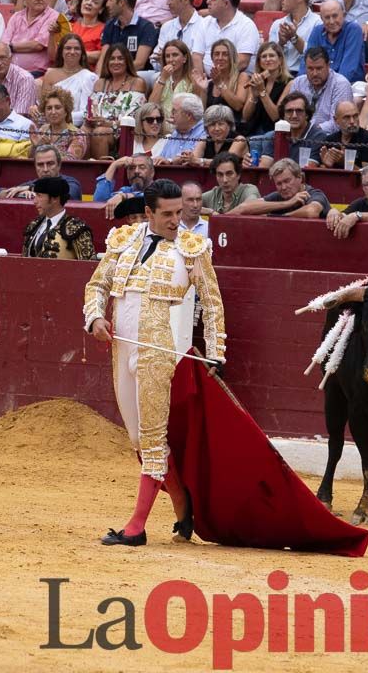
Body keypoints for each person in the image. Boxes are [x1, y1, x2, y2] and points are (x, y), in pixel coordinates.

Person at [84, 178, 225, 547]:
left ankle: (136, 527)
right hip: (122, 350)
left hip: (157, 351)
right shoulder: (123, 240)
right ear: (148, 213)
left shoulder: (191, 249)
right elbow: (96, 286)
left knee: (151, 438)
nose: (176, 220)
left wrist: (216, 351)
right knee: (137, 439)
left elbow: (211, 302)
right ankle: (182, 504)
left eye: (179, 212)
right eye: (167, 214)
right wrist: (96, 318)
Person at [284, 47, 354, 135]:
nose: (315, 73)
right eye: (310, 69)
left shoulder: (340, 84)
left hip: (327, 138)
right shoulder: (298, 82)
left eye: (319, 68)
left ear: (328, 66)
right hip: (298, 133)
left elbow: (338, 122)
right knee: (265, 139)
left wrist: (309, 132)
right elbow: (289, 113)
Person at [22, 176, 96, 260]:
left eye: (39, 196)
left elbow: (89, 264)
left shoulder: (76, 228)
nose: (34, 201)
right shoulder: (34, 225)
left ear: (55, 199)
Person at [229, 157, 330, 218]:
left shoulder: (314, 193)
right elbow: (243, 208)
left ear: (300, 177)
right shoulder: (279, 196)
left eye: (287, 181)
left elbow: (311, 212)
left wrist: (282, 217)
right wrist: (287, 203)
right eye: (279, 183)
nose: (284, 187)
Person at [99, 0, 159, 74]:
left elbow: (139, 63)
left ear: (121, 2)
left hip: (136, 75)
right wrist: (100, 78)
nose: (107, 4)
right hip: (113, 75)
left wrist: (115, 74)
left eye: (110, 0)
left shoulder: (146, 27)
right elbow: (103, 58)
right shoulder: (109, 25)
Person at [4, 0, 59, 76]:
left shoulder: (53, 16)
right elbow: (4, 45)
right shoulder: (16, 17)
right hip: (10, 71)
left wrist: (11, 47)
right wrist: (8, 47)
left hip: (37, 73)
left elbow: (38, 45)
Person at [301, 0, 363, 83]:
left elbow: (348, 70)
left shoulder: (353, 30)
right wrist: (301, 84)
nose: (332, 21)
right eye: (327, 17)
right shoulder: (317, 31)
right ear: (321, 18)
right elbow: (306, 62)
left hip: (349, 84)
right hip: (320, 83)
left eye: (335, 16)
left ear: (343, 15)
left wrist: (330, 89)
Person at [241, 42, 290, 138]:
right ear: (259, 62)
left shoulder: (289, 83)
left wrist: (262, 92)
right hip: (253, 130)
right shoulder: (257, 80)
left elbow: (276, 117)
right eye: (264, 57)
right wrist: (254, 96)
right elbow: (246, 117)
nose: (268, 59)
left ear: (280, 60)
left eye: (271, 56)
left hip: (273, 133)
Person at [148, 39, 202, 124]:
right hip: (160, 128)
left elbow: (197, 113)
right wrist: (162, 79)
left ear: (184, 58)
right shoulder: (160, 79)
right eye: (167, 56)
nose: (170, 59)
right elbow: (150, 108)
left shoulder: (193, 81)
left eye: (175, 55)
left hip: (184, 129)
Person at [319, 99, 368, 170]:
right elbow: (322, 169)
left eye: (355, 116)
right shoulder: (330, 140)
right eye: (347, 117)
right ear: (336, 120)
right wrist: (326, 166)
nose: (352, 121)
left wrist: (345, 162)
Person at [31, 87, 88, 160]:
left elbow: (71, 160)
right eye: (49, 108)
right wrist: (35, 146)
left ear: (66, 111)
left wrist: (49, 147)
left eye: (57, 108)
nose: (53, 112)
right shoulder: (43, 130)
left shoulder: (77, 135)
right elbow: (31, 158)